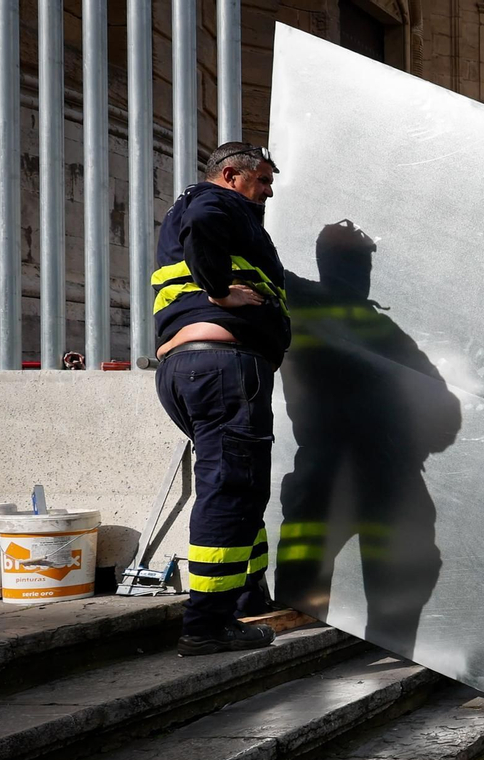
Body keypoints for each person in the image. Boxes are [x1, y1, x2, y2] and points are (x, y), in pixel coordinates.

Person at [273, 220, 461, 661]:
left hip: (331, 472)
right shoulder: (383, 334)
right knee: (384, 605)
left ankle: (300, 665)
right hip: (381, 475)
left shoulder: (303, 304)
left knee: (303, 588)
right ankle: (377, 666)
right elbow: (446, 413)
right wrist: (405, 441)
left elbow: (445, 412)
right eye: (363, 261)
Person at [152, 142, 290, 656]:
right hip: (223, 366)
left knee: (242, 485)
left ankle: (246, 599)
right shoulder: (215, 201)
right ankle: (206, 625)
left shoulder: (198, 208)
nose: (269, 190)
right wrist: (220, 292)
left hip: (190, 369)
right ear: (231, 175)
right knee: (232, 488)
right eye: (263, 180)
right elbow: (206, 222)